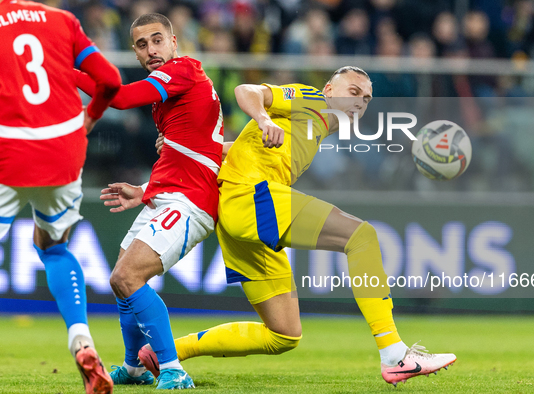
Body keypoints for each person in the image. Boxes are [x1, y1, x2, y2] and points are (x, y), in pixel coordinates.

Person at [137, 66, 457, 386]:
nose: (360, 102)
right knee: (361, 237)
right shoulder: (312, 98)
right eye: (354, 92)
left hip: (238, 211)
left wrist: (190, 150)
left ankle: (166, 352)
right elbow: (246, 91)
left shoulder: (313, 127)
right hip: (251, 194)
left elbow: (241, 150)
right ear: (330, 90)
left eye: (367, 98)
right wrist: (263, 118)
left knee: (283, 334)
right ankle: (395, 354)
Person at [75, 13, 224, 390]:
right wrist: (145, 191)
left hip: (190, 201)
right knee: (120, 281)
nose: (151, 50)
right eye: (142, 45)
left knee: (127, 276)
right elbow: (187, 150)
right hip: (166, 196)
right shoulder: (171, 94)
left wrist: (66, 71)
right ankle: (136, 367)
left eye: (157, 40)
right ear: (135, 52)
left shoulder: (182, 70)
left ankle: (173, 368)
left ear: (174, 42)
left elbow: (121, 98)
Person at [0, 1, 121, 393]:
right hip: (62, 150)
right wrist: (93, 116)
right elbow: (110, 79)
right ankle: (82, 341)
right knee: (53, 247)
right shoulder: (62, 21)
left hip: (8, 149)